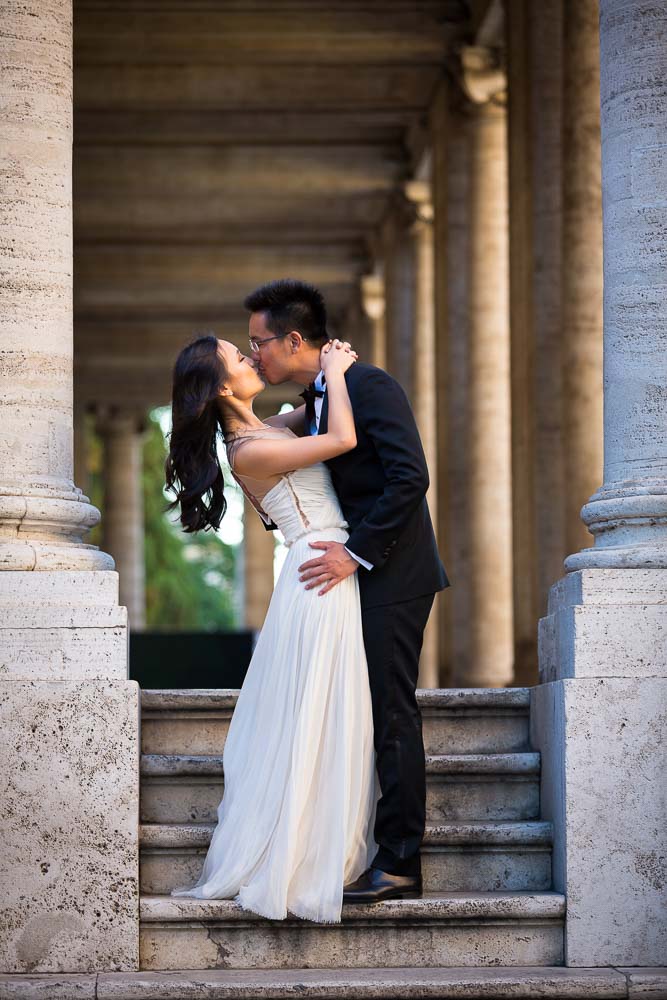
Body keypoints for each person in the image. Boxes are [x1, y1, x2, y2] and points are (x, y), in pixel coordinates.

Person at [164, 331, 383, 923]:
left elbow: (304, 411)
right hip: (320, 570)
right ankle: (303, 855)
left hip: (321, 567)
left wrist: (318, 373)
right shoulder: (248, 451)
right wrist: (336, 370)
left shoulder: (265, 430)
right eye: (240, 356)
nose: (251, 358)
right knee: (319, 710)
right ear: (222, 386)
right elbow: (341, 436)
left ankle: (321, 843)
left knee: (327, 709)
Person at [244, 278, 450, 904]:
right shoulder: (325, 392)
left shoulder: (368, 385)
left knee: (392, 714)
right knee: (369, 712)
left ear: (294, 339)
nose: (256, 356)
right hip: (354, 574)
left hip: (392, 573)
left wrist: (354, 554)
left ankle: (400, 862)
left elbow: (410, 477)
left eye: (260, 344)